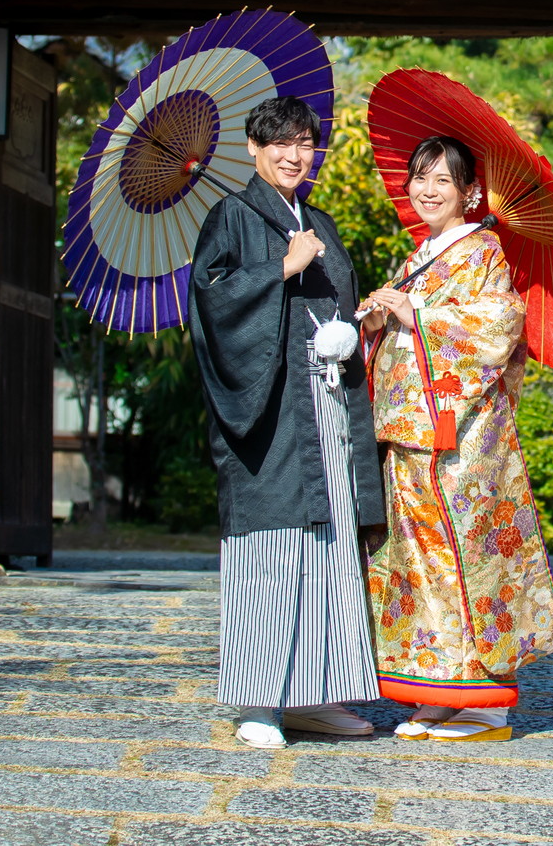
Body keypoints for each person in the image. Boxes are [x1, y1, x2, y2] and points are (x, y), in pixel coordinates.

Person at [188, 94, 384, 750]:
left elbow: (335, 307)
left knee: (331, 543)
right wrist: (280, 269)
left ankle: (320, 694)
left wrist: (356, 328)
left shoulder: (319, 220)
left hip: (327, 402)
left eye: (303, 143)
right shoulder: (231, 215)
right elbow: (213, 301)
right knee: (272, 545)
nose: (293, 155)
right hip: (269, 409)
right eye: (279, 143)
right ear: (253, 148)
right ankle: (260, 698)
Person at [360, 135, 553, 742]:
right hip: (410, 433)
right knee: (417, 563)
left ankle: (486, 704)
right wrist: (378, 317)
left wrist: (416, 316)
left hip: (461, 440)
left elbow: (500, 323)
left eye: (442, 181)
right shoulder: (420, 253)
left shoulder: (482, 251)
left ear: (469, 191)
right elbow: (397, 331)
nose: (426, 191)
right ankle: (439, 689)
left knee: (462, 559)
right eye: (419, 179)